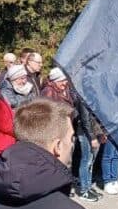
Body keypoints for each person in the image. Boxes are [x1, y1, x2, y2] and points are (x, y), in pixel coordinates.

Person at [42, 67, 100, 199]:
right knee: (57, 162)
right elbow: (50, 114)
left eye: (65, 81)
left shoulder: (65, 91)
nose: (64, 83)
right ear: (54, 81)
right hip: (56, 133)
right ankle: (57, 191)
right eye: (61, 81)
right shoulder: (48, 92)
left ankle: (65, 187)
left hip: (68, 130)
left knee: (67, 161)